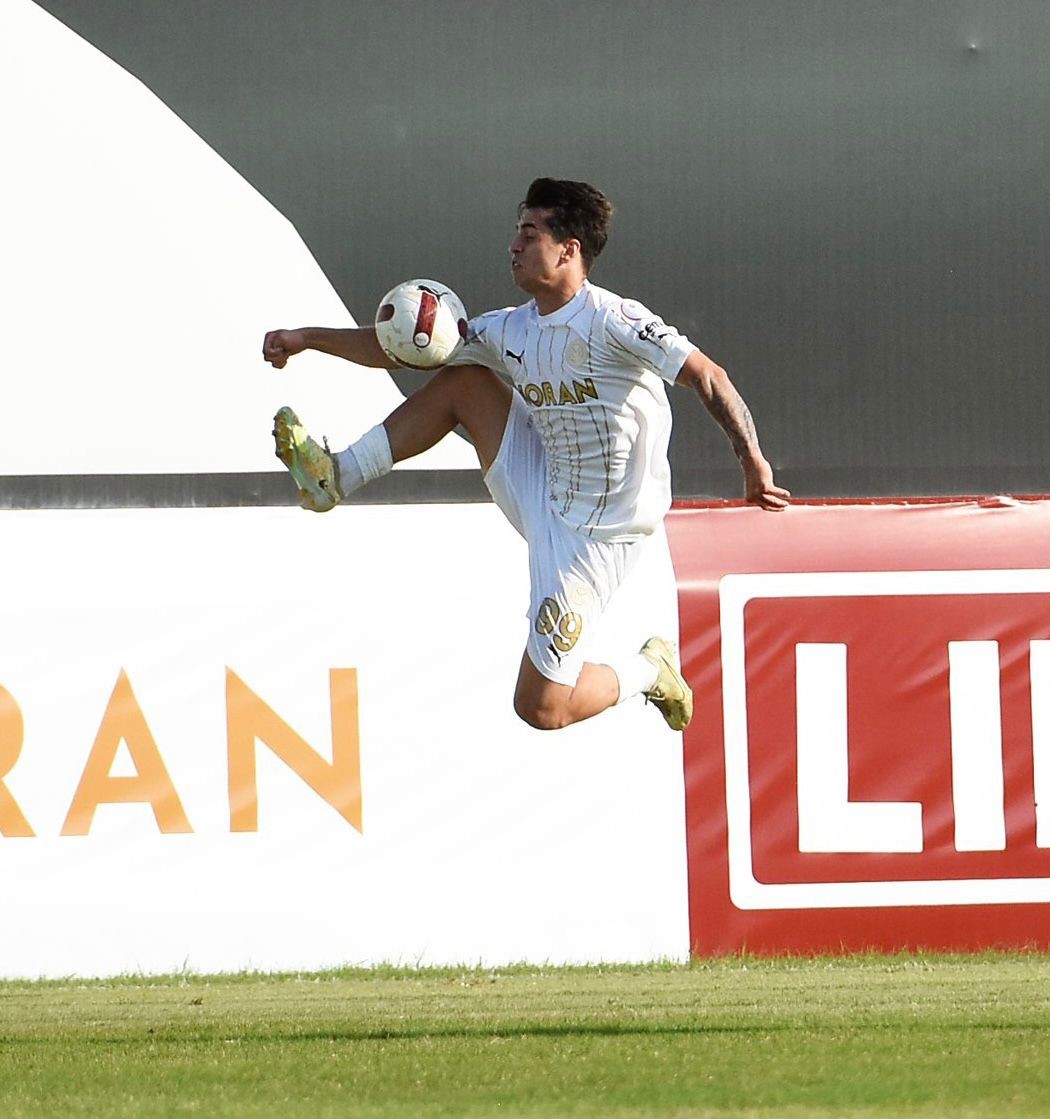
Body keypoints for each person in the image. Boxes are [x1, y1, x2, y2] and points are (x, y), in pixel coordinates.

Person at [262, 177, 790, 733]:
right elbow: (401, 348)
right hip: (540, 483)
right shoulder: (509, 328)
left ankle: (648, 669)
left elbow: (708, 376)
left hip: (594, 541)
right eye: (517, 232)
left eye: (529, 233)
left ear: (569, 250)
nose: (514, 246)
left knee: (542, 708)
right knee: (461, 378)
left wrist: (751, 459)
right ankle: (335, 477)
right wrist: (305, 338)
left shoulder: (615, 320)